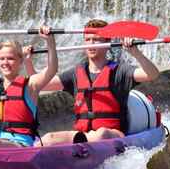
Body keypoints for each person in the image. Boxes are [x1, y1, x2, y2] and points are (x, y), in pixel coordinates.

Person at [25, 19, 159, 146]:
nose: (91, 44)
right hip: (82, 135)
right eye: (88, 40)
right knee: (48, 139)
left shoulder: (120, 71)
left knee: (101, 134)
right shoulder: (75, 74)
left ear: (107, 43)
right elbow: (40, 83)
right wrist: (29, 60)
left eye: (96, 40)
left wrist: (136, 53)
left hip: (113, 135)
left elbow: (152, 74)